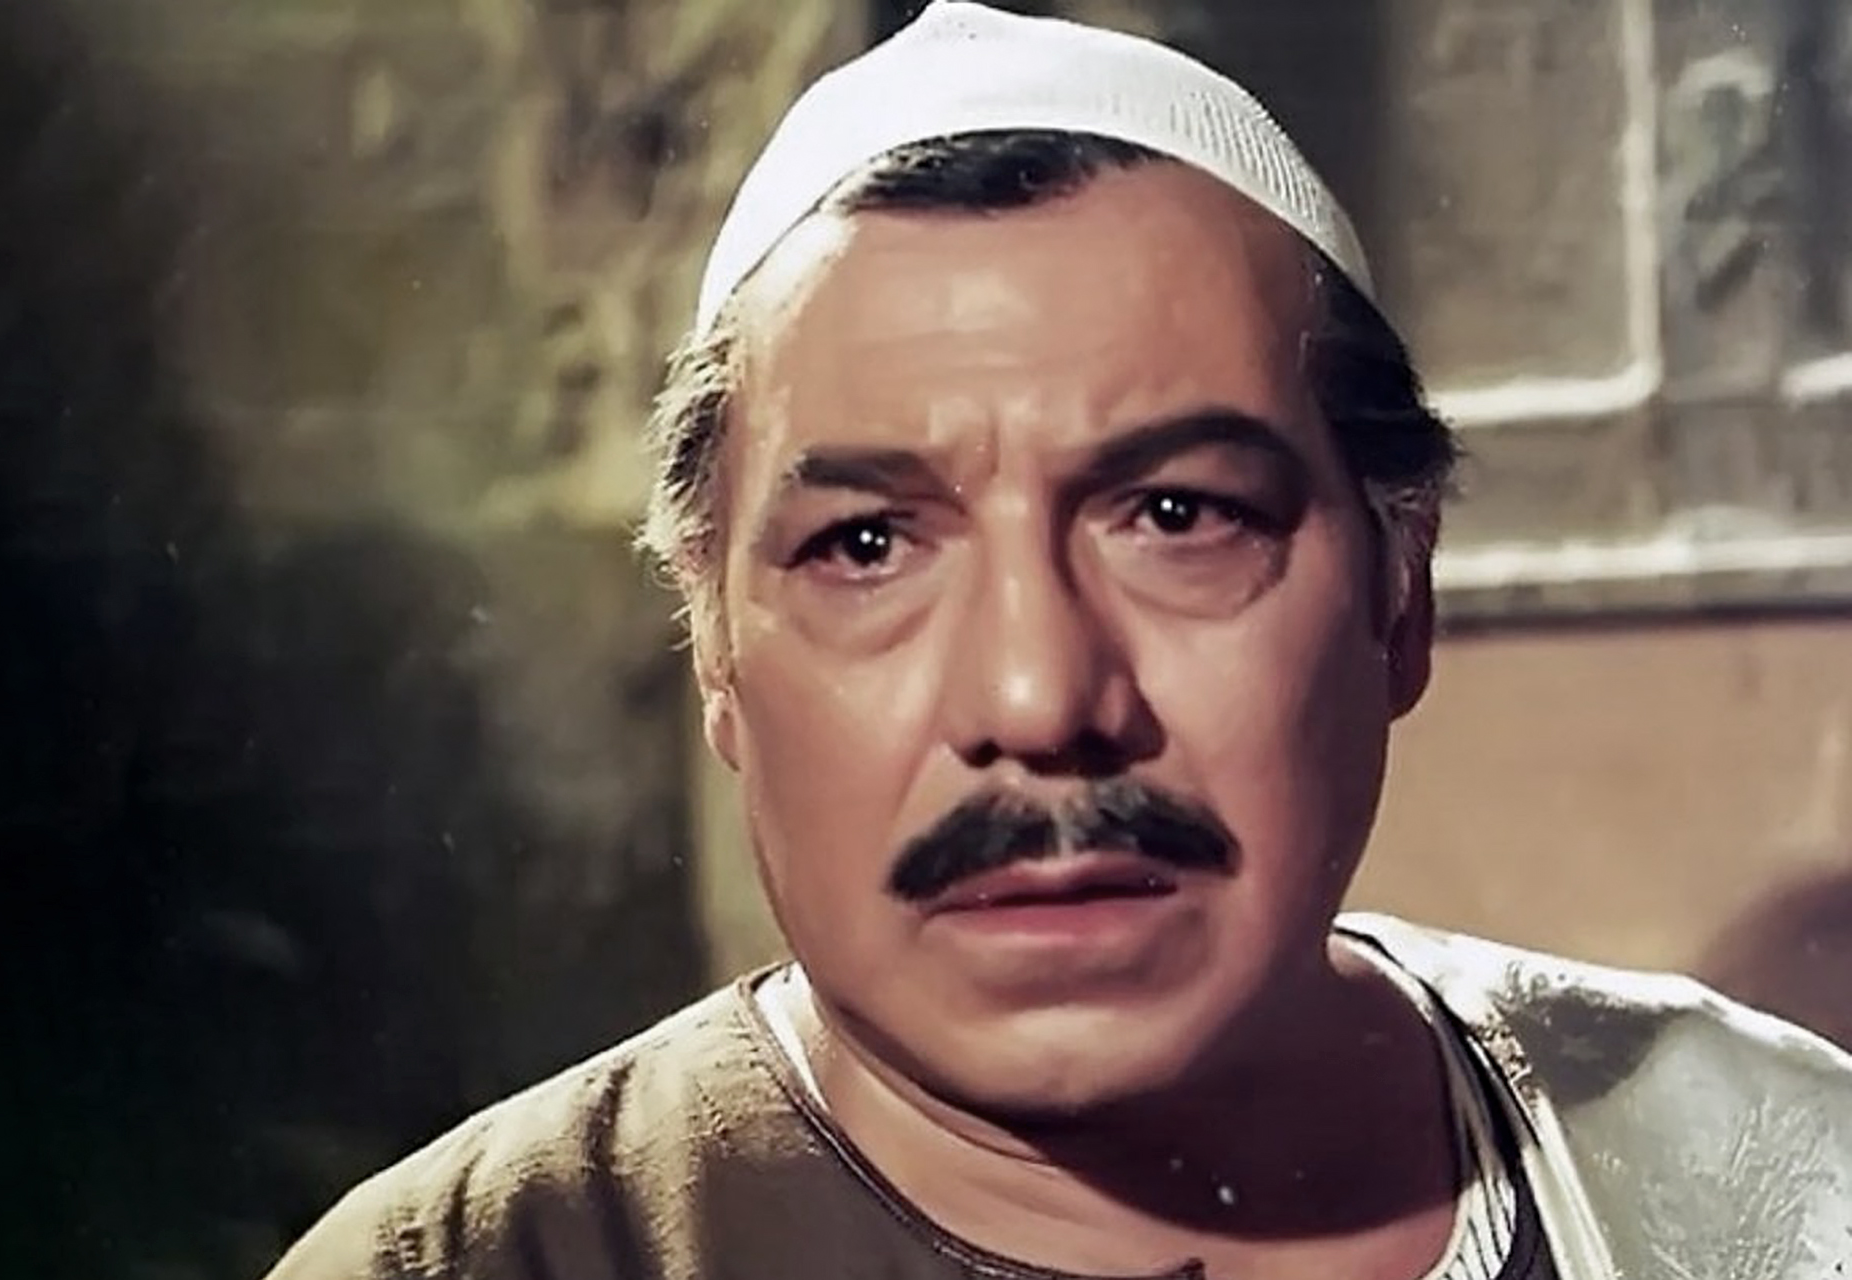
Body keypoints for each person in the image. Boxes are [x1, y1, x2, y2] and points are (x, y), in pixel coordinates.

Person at [264, 5, 1852, 1278]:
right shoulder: (486, 1259)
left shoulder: (1773, 1185)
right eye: (867, 546)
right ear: (717, 661)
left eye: (1176, 515)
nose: (1037, 698)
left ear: (1400, 595)